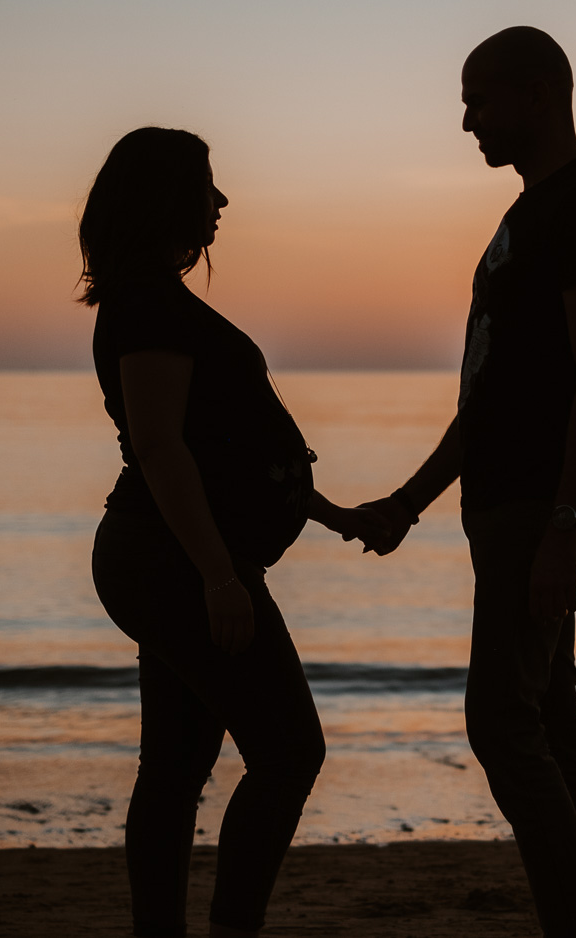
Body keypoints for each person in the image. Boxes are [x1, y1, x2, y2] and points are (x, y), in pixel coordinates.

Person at [359, 27, 576, 938]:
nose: (467, 120)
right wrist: (411, 501)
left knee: (502, 726)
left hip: (535, 507)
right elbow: (491, 394)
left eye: (479, 99)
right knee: (549, 717)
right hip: (505, 503)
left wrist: (563, 525)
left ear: (535, 94)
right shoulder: (527, 215)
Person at [81, 126, 387, 938]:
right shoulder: (147, 305)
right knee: (290, 754)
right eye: (206, 186)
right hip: (173, 557)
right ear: (167, 198)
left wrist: (332, 514)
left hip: (171, 554)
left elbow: (226, 452)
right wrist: (219, 576)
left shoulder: (156, 301)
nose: (221, 201)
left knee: (177, 769)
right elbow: (159, 446)